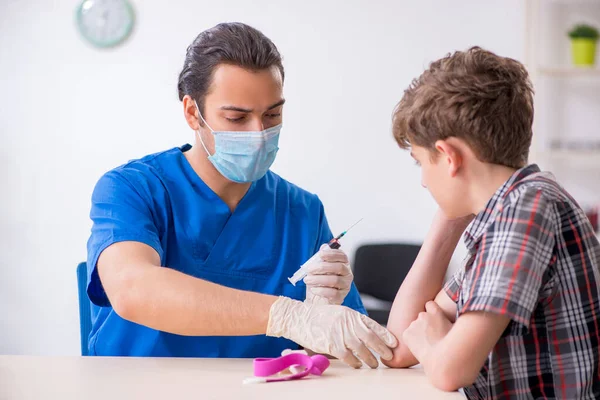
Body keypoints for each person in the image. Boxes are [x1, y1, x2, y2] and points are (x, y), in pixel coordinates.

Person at [85, 22, 397, 368]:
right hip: (137, 385)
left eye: (273, 114)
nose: (259, 132)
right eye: (237, 117)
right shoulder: (133, 189)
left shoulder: (302, 211)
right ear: (193, 113)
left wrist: (326, 313)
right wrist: (287, 315)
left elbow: (334, 358)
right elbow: (133, 290)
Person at [383, 47, 600, 399]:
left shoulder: (529, 208)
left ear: (449, 157)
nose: (423, 181)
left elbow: (452, 370)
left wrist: (435, 343)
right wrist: (449, 218)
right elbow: (399, 345)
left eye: (420, 162)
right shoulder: (501, 217)